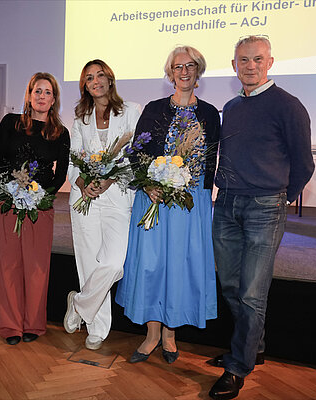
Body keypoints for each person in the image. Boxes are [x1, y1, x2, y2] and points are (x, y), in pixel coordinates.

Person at [209, 36, 314, 400]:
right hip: (226, 206)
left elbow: (304, 163)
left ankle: (237, 367)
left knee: (253, 294)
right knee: (230, 285)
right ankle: (253, 346)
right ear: (234, 64)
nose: (250, 65)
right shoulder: (231, 106)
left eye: (257, 59)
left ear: (270, 62)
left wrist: (282, 198)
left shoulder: (289, 106)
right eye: (243, 60)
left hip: (264, 208)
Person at [115, 46, 220, 364]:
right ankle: (151, 335)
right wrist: (147, 184)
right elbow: (137, 152)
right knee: (153, 267)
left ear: (198, 71)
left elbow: (211, 161)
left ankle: (171, 335)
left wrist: (201, 198)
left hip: (190, 206)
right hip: (155, 201)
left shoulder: (210, 113)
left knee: (180, 267)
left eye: (191, 66)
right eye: (178, 66)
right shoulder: (155, 108)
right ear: (170, 72)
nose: (184, 71)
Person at [62, 60, 141, 350]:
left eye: (100, 75)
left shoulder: (131, 111)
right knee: (88, 262)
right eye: (88, 77)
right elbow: (73, 159)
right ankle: (97, 327)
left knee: (112, 263)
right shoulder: (80, 118)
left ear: (110, 79)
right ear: (84, 85)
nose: (95, 81)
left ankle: (79, 304)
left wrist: (108, 180)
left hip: (118, 196)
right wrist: (84, 184)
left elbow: (136, 156)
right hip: (84, 199)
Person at [0, 72, 70, 345]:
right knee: (8, 265)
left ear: (54, 99)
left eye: (48, 92)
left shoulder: (60, 133)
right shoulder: (10, 123)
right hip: (8, 203)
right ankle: (11, 326)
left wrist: (40, 197)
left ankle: (33, 325)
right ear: (29, 94)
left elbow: (60, 174)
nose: (42, 96)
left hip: (40, 207)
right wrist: (12, 191)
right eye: (37, 91)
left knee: (37, 268)